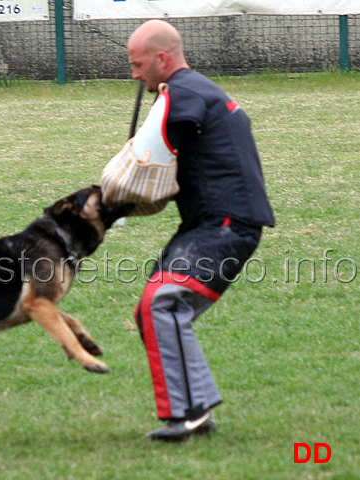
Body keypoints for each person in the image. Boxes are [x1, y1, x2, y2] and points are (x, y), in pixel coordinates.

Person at [125, 20, 275, 441]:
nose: (134, 75)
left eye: (138, 65)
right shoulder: (196, 89)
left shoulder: (183, 93)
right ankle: (198, 412)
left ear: (162, 59)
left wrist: (110, 202)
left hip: (226, 225)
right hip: (211, 223)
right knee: (155, 309)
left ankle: (188, 415)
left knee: (163, 301)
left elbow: (150, 154)